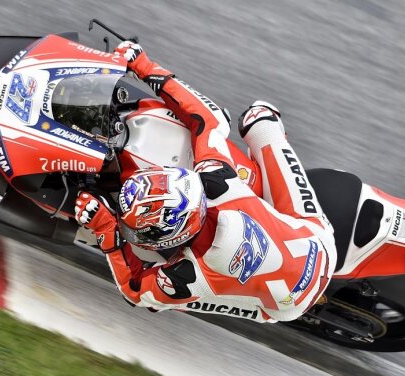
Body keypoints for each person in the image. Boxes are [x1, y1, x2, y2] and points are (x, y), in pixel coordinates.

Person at [74, 41, 337, 323]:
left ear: (174, 237)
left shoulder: (187, 275)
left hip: (285, 306)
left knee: (163, 300)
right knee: (259, 118)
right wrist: (146, 68)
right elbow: (207, 121)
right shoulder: (218, 182)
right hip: (315, 246)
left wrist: (105, 227)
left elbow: (135, 291)